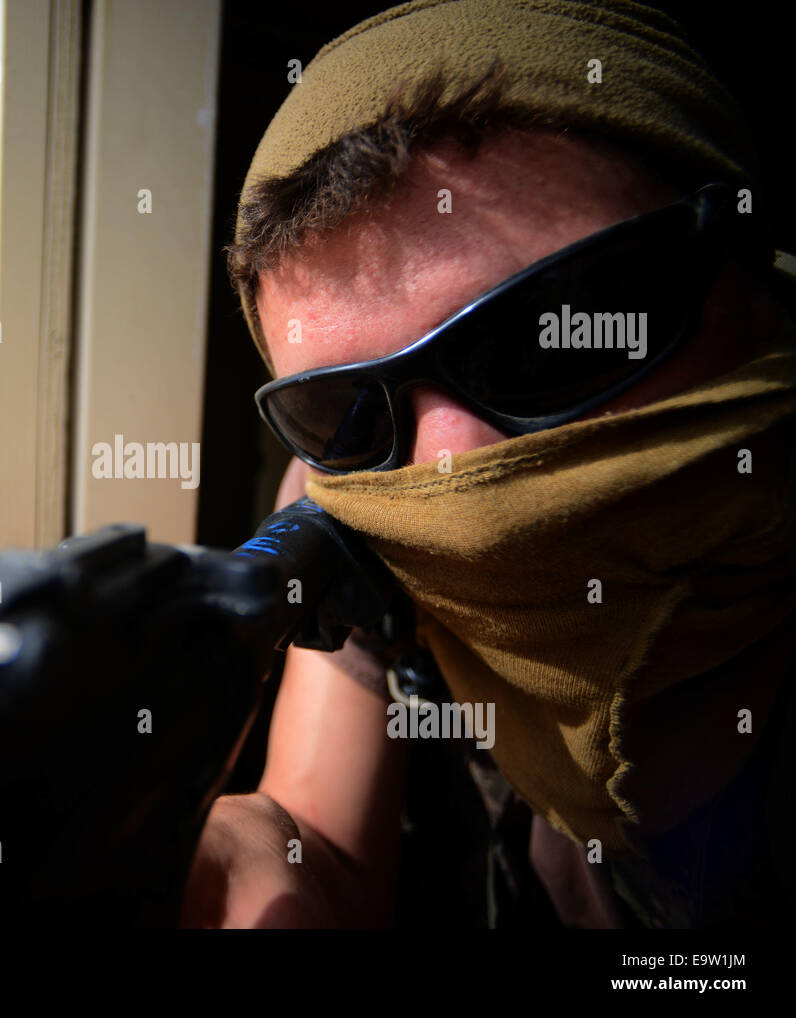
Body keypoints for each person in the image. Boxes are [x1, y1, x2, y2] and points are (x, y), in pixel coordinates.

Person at [181, 0, 796, 928]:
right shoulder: (344, 513)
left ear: (756, 284)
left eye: (553, 333)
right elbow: (320, 839)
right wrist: (228, 860)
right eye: (348, 413)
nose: (448, 471)